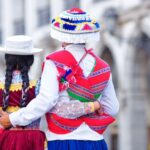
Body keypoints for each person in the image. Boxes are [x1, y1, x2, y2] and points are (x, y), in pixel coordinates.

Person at [0, 8, 119, 150]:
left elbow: (46, 100)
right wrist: (94, 107)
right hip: (95, 140)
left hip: (62, 140)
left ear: (63, 36)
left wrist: (13, 119)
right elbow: (112, 108)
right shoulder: (103, 65)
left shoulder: (54, 62)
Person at [0, 35, 45, 150]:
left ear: (7, 60)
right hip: (32, 140)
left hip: (5, 139)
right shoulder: (38, 85)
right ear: (30, 61)